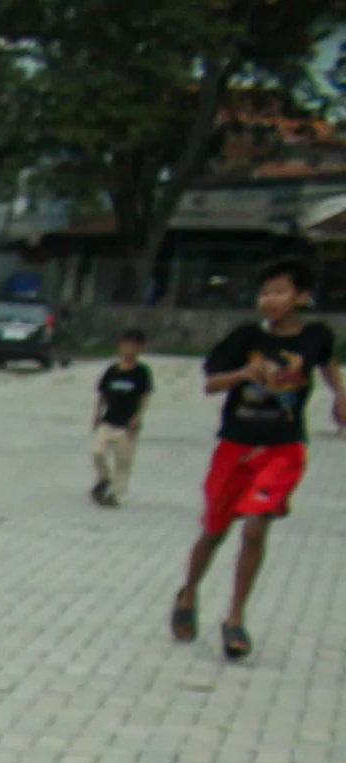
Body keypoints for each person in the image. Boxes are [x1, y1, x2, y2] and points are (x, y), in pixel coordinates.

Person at [174, 258, 346, 660]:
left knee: (255, 528)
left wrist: (340, 396)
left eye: (279, 291)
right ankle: (189, 592)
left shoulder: (316, 336)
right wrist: (241, 375)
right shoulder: (244, 338)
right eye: (265, 291)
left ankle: (235, 617)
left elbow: (328, 367)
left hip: (283, 450)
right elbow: (211, 384)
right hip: (235, 448)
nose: (269, 299)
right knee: (214, 532)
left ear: (302, 297)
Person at [90, 329, 152, 508]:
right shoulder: (112, 370)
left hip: (127, 425)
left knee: (123, 461)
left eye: (133, 345)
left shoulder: (141, 372)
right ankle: (104, 479)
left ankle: (115, 494)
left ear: (140, 348)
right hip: (109, 420)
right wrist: (97, 414)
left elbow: (145, 397)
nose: (128, 349)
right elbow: (102, 394)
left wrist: (137, 417)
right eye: (125, 345)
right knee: (98, 452)